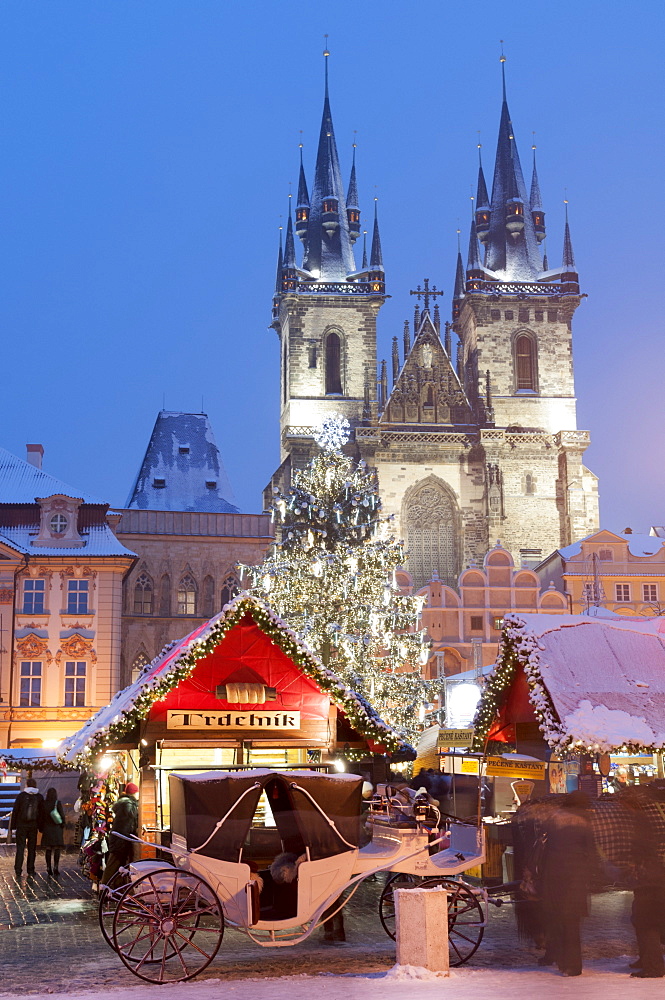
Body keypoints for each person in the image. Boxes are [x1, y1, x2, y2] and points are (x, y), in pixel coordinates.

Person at [539, 791, 594, 977]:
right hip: (575, 878)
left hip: (553, 876)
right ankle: (573, 965)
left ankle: (560, 960)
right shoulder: (584, 822)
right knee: (572, 923)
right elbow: (590, 851)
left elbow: (544, 844)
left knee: (557, 919)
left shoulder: (554, 818)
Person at [101, 782, 139, 888]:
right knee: (114, 863)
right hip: (121, 837)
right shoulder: (129, 805)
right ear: (134, 793)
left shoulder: (125, 803)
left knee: (118, 864)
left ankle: (114, 888)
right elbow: (132, 819)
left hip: (119, 836)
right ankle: (104, 888)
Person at [11, 778, 45, 877]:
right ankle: (30, 869)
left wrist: (13, 826)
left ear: (26, 785)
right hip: (33, 826)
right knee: (32, 849)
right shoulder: (39, 797)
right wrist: (41, 827)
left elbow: (16, 810)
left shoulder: (21, 796)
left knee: (20, 848)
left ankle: (18, 869)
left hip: (21, 826)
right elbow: (41, 813)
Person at [41, 787, 65, 876]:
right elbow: (62, 816)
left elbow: (41, 817)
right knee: (57, 848)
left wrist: (41, 828)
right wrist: (63, 825)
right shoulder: (57, 803)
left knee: (48, 849)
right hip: (56, 829)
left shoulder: (44, 804)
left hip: (47, 828)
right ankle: (56, 867)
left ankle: (48, 867)